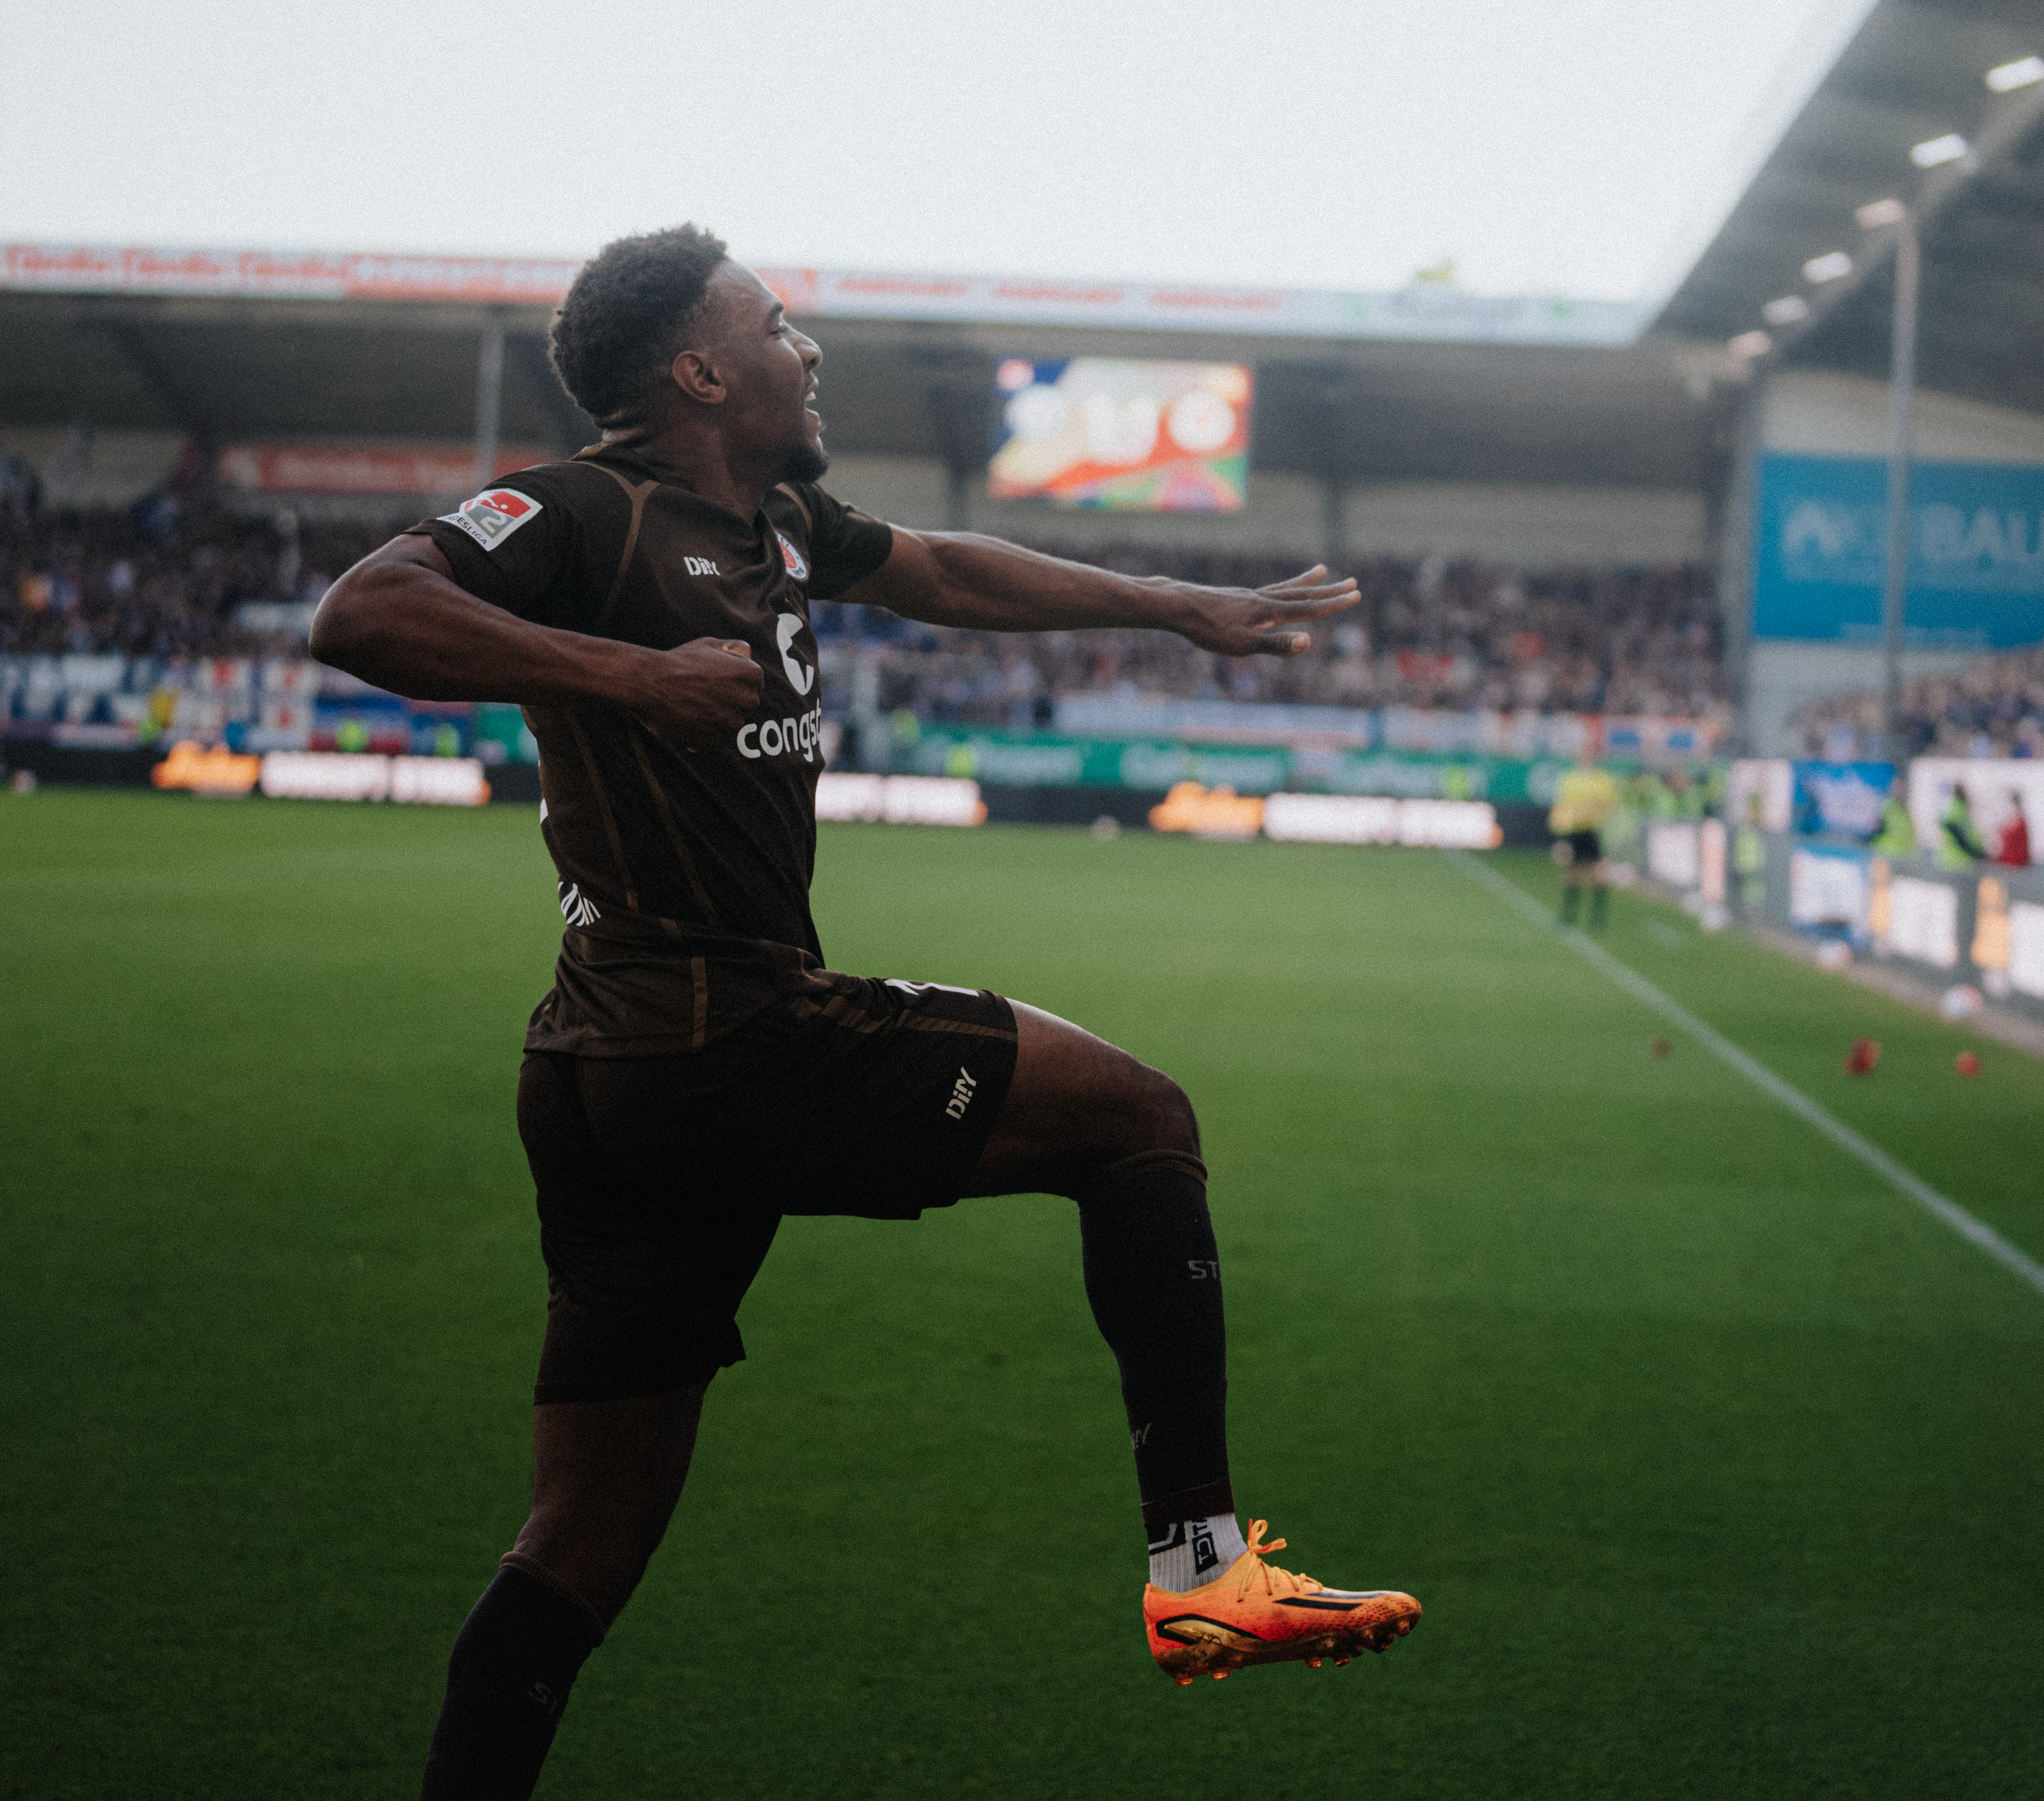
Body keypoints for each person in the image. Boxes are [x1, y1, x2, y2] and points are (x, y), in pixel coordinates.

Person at [309, 227, 1419, 1800]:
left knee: (581, 1539)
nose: (806, 345)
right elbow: (361, 611)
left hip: (606, 1073)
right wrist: (623, 680)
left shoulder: (771, 520)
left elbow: (949, 569)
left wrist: (1178, 602)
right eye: (775, 322)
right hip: (719, 1041)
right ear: (698, 368)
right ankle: (1201, 1568)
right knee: (1139, 1115)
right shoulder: (578, 509)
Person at [1548, 746, 1620, 927]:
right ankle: (1568, 915)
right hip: (1575, 830)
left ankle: (1598, 917)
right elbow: (1563, 806)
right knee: (1573, 874)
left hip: (1595, 831)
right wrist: (1562, 836)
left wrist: (1595, 809)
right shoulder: (1570, 778)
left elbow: (1610, 804)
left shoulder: (1604, 779)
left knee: (1599, 873)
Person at [1934, 785, 1987, 869]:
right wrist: (1977, 854)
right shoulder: (1956, 809)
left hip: (1958, 861)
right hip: (1955, 861)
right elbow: (1959, 836)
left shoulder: (1959, 808)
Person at [1872, 775, 1916, 857]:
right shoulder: (1887, 806)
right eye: (1899, 788)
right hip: (1887, 852)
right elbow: (1876, 827)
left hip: (1903, 854)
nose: (1902, 791)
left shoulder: (1904, 809)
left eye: (1904, 788)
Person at [1993, 790, 2031, 867]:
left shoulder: (2018, 820)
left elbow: (2011, 834)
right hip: (2013, 860)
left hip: (2014, 861)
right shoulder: (2017, 819)